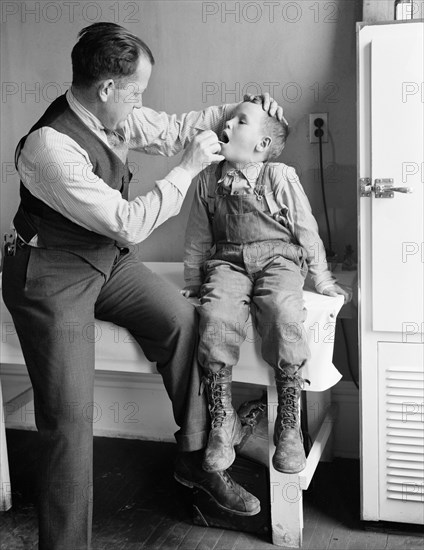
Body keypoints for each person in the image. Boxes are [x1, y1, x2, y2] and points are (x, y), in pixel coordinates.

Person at [1, 23, 285, 550]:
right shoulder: (48, 149)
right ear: (107, 87)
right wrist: (189, 170)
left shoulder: (118, 115)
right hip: (49, 272)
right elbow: (130, 221)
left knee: (183, 322)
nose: (141, 103)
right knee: (68, 418)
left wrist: (238, 110)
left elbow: (177, 128)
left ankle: (196, 462)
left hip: (105, 262)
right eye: (136, 91)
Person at [182, 98, 350, 476]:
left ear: (261, 145)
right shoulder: (208, 179)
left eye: (240, 121)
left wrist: (321, 278)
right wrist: (194, 282)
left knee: (283, 311)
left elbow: (306, 228)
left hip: (279, 259)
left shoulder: (279, 176)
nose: (227, 122)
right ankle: (222, 419)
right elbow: (197, 237)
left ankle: (288, 422)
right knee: (215, 315)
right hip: (227, 260)